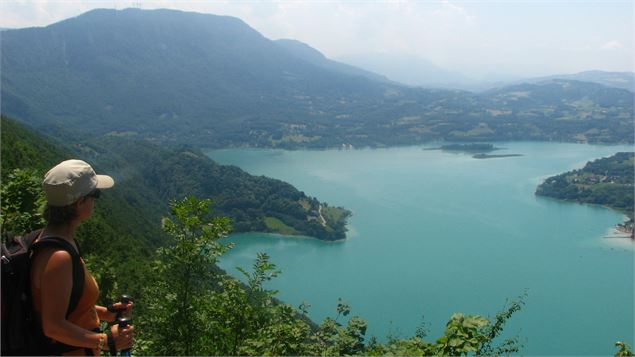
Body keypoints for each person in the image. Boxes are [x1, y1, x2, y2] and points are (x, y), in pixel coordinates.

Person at [29, 159, 134, 355]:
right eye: (95, 194)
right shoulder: (58, 257)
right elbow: (52, 325)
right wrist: (106, 341)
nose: (95, 200)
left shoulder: (55, 241)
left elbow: (64, 303)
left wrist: (106, 313)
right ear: (80, 203)